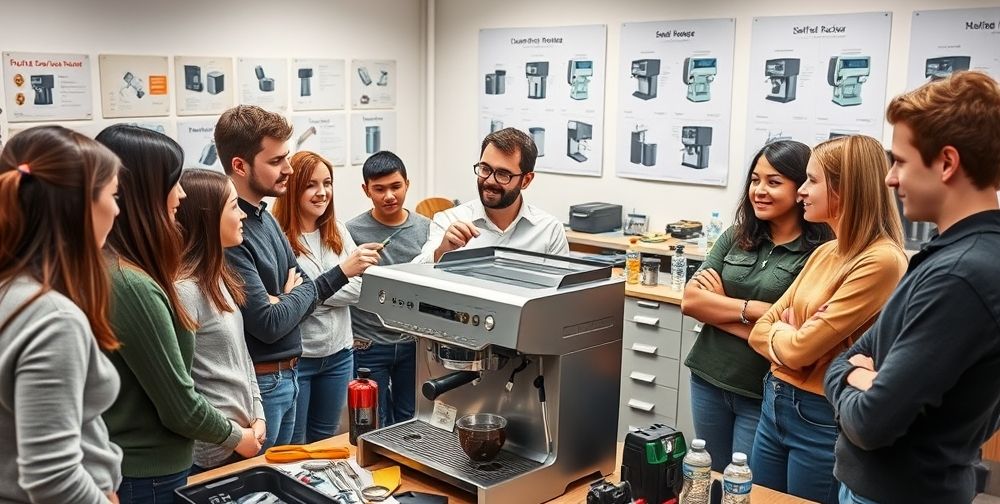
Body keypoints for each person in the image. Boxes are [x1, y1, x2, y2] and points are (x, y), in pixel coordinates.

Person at [825, 71, 1000, 504]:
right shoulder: (955, 254)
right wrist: (860, 374)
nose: (890, 178)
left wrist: (856, 374)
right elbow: (848, 359)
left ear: (946, 163)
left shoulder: (961, 275)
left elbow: (869, 422)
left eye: (900, 161)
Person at [96, 125, 259, 502]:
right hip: (149, 473)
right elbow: (179, 406)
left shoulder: (126, 270)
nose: (181, 194)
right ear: (146, 193)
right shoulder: (132, 284)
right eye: (173, 182)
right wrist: (241, 438)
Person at [746, 135, 907, 504]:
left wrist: (790, 335)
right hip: (775, 401)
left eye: (812, 180)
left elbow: (802, 350)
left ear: (844, 189)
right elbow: (760, 329)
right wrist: (791, 335)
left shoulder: (880, 261)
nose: (801, 191)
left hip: (820, 416)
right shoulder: (825, 252)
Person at [216, 105, 374, 449]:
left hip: (289, 371)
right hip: (265, 383)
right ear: (240, 166)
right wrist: (316, 285)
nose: (288, 170)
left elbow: (301, 284)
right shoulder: (231, 231)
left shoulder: (264, 217)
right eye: (275, 162)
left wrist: (287, 297)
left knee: (302, 464)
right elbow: (269, 323)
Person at [681, 140, 833, 471]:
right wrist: (755, 310)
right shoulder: (736, 236)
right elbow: (691, 301)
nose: (759, 191)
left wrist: (719, 306)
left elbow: (798, 329)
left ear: (801, 187)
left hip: (762, 391)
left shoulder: (820, 252)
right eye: (754, 180)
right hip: (708, 377)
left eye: (774, 182)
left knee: (746, 486)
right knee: (711, 479)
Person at [0, 126, 123, 503]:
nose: (117, 209)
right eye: (113, 195)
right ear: (80, 206)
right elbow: (54, 478)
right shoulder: (53, 319)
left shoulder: (12, 292)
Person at [273, 151, 378, 443]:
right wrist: (340, 276)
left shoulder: (337, 230)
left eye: (327, 183)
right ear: (293, 188)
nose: (322, 193)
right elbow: (284, 305)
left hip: (340, 355)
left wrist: (309, 295)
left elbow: (361, 290)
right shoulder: (279, 237)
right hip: (299, 358)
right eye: (311, 185)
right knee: (295, 443)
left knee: (326, 439)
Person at [175, 169, 267, 471]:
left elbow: (241, 357)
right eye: (232, 206)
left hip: (244, 439)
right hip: (211, 452)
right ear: (207, 217)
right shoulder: (185, 290)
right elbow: (183, 387)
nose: (242, 214)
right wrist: (236, 436)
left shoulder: (218, 277)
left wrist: (258, 414)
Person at [347, 151, 431, 428]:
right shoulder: (351, 231)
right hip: (368, 344)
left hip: (412, 342)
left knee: (411, 417)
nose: (389, 196)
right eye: (379, 189)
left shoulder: (426, 229)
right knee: (373, 421)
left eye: (396, 187)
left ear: (407, 183)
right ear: (365, 190)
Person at [415, 127, 569, 263]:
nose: (489, 181)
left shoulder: (549, 230)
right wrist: (441, 252)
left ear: (526, 180)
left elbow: (561, 294)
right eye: (485, 169)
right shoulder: (450, 221)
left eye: (503, 174)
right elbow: (414, 275)